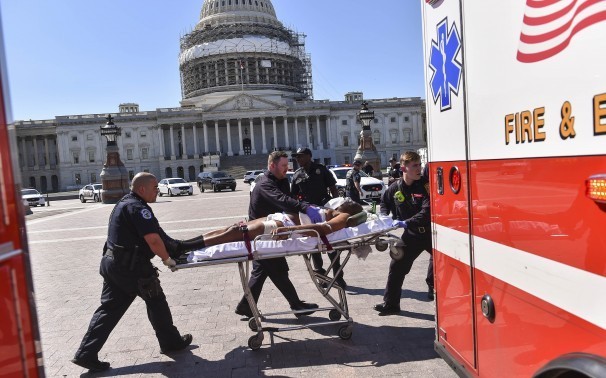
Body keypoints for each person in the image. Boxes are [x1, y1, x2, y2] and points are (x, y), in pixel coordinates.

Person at [71, 173, 193, 373]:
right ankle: (170, 342)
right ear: (142, 189)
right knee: (156, 301)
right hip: (132, 268)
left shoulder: (123, 203)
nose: (158, 191)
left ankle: (86, 353)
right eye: (155, 187)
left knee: (109, 309)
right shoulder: (137, 207)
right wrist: (166, 259)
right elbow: (153, 239)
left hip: (113, 264)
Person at [234, 151, 324, 319]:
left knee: (262, 272)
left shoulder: (281, 180)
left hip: (272, 231)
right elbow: (282, 200)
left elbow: (288, 201)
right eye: (283, 165)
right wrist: (305, 208)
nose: (287, 168)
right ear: (272, 166)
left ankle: (245, 305)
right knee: (278, 270)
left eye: (287, 165)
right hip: (262, 235)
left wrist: (304, 206)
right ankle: (296, 305)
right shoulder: (265, 183)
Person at [178, 197, 364, 249]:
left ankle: (186, 247)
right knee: (232, 229)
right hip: (280, 217)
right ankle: (183, 244)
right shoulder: (334, 210)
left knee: (235, 233)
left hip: (281, 225)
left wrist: (290, 230)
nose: (345, 198)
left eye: (348, 199)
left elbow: (322, 229)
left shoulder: (343, 216)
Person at [373, 151, 432, 315]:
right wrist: (384, 216)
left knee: (440, 266)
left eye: (419, 165)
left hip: (431, 234)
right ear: (404, 168)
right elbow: (384, 202)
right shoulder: (395, 187)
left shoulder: (425, 186)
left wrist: (405, 222)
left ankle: (433, 288)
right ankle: (391, 304)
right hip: (412, 235)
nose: (419, 169)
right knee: (397, 266)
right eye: (415, 166)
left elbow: (427, 212)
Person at [291, 147, 344, 287]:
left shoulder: (321, 170)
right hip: (308, 213)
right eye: (297, 157)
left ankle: (338, 276)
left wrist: (336, 207)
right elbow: (293, 197)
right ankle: (321, 277)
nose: (298, 159)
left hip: (324, 210)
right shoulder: (297, 175)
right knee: (314, 246)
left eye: (300, 156)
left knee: (330, 244)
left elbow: (333, 189)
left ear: (309, 156)